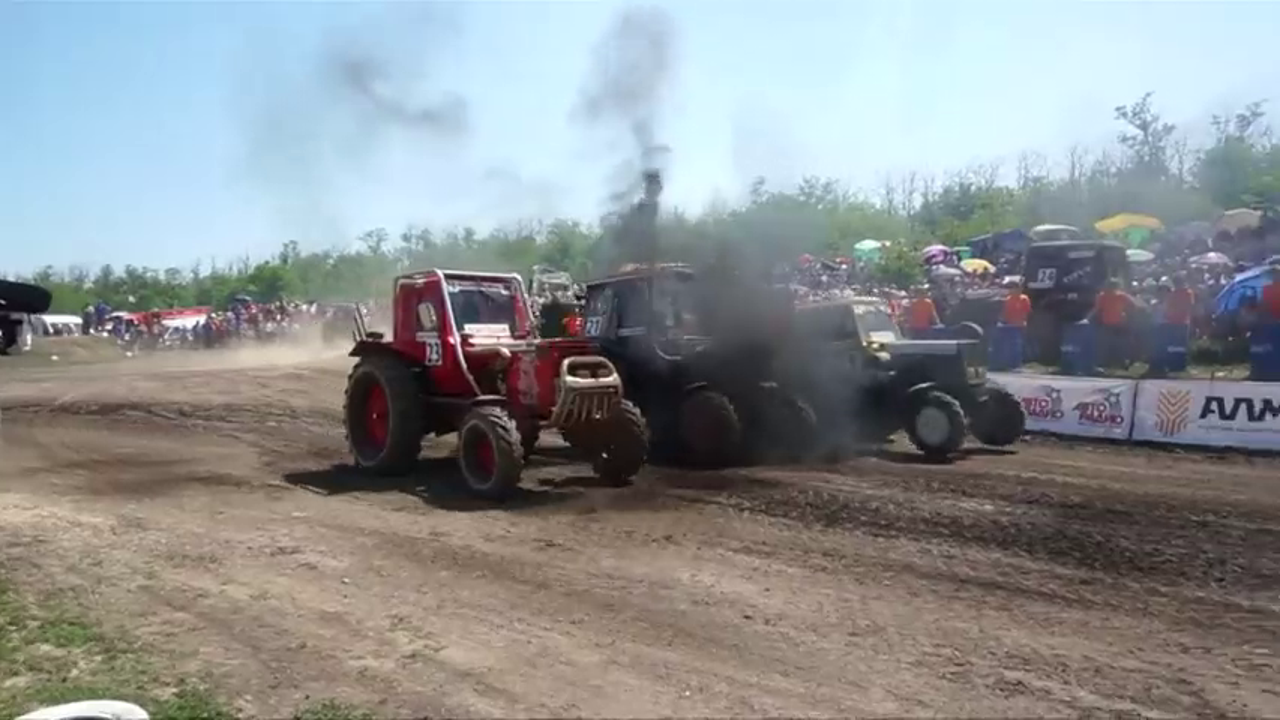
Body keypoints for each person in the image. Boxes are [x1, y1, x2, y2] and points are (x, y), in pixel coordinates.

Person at [1091, 278, 1136, 368]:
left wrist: (1126, 313)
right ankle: (1107, 362)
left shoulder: (1121, 296)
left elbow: (1133, 305)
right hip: (1108, 324)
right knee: (1107, 344)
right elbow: (1097, 309)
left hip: (1118, 324)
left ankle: (1120, 362)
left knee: (1119, 344)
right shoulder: (1103, 296)